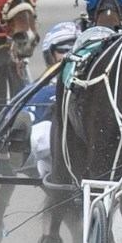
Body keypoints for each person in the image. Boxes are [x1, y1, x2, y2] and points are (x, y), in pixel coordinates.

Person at [28, 21, 82, 180]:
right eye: (64, 49)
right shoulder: (37, 90)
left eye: (77, 49)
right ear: (50, 54)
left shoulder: (95, 90)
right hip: (48, 161)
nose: (70, 54)